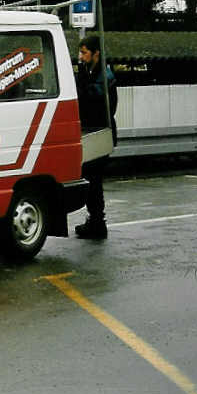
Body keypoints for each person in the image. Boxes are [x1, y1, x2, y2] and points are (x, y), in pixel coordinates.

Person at [74, 35, 117, 240]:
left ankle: (98, 222)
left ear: (96, 54)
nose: (81, 57)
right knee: (91, 177)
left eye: (84, 53)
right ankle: (96, 220)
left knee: (93, 178)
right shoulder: (93, 73)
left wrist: (82, 81)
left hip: (101, 132)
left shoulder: (105, 76)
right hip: (92, 131)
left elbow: (91, 100)